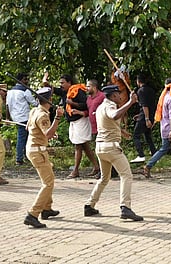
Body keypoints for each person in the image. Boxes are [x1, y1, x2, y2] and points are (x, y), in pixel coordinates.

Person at [84, 85, 143, 221]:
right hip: (111, 148)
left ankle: (89, 205)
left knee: (104, 178)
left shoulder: (100, 107)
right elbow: (114, 115)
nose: (120, 96)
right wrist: (130, 102)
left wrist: (121, 131)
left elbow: (108, 123)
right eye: (118, 93)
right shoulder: (110, 106)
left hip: (100, 147)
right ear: (112, 95)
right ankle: (125, 207)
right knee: (126, 175)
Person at [23, 87, 64, 228]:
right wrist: (57, 117)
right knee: (48, 182)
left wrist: (50, 132)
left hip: (34, 148)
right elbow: (47, 134)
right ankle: (32, 214)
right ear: (50, 100)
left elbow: (29, 128)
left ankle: (46, 209)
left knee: (49, 176)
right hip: (37, 151)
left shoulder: (34, 110)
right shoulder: (43, 115)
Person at [54, 74, 100, 178]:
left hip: (81, 120)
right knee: (84, 145)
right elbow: (51, 88)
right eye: (60, 83)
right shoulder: (64, 92)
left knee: (78, 145)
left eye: (62, 83)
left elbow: (85, 105)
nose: (60, 85)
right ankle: (96, 166)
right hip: (73, 121)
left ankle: (75, 170)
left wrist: (72, 103)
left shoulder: (78, 91)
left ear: (69, 83)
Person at [6, 73, 38, 165]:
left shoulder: (10, 91)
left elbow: (7, 105)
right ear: (20, 80)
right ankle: (19, 158)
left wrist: (8, 117)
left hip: (15, 117)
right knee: (23, 137)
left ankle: (25, 156)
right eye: (25, 79)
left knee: (24, 137)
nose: (27, 81)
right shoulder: (25, 91)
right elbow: (34, 103)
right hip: (24, 117)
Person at [130, 73, 157, 163]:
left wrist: (146, 118)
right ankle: (154, 153)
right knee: (148, 136)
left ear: (138, 81)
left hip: (145, 116)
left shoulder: (141, 91)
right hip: (149, 114)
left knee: (136, 135)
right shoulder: (151, 90)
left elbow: (145, 106)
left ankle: (141, 155)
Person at [85, 79, 105, 178]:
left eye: (88, 86)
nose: (86, 88)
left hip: (102, 126)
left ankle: (104, 171)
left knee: (103, 150)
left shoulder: (102, 96)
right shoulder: (88, 98)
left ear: (94, 87)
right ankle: (102, 169)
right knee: (97, 150)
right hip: (92, 127)